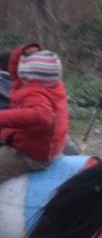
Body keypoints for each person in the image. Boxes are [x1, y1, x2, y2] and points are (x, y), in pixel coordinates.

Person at [0, 44, 69, 186]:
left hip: (30, 153)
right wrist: (23, 50)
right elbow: (13, 69)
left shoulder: (35, 93)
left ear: (30, 77)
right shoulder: (53, 85)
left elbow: (41, 115)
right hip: (39, 144)